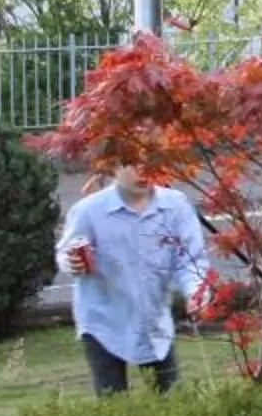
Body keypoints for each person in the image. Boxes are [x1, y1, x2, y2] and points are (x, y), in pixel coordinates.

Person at [56, 163, 213, 394]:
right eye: (132, 165)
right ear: (112, 167)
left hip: (155, 319)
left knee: (172, 397)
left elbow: (191, 260)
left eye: (148, 163)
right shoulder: (88, 211)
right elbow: (66, 252)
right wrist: (72, 263)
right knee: (113, 402)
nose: (142, 172)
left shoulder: (175, 205)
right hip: (103, 320)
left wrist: (196, 293)